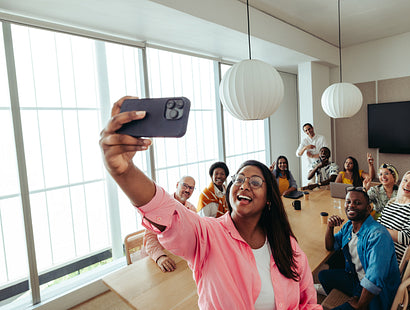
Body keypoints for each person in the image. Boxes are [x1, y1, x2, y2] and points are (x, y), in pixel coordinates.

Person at [100, 96, 321, 309]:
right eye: (239, 179)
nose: (244, 185)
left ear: (269, 201)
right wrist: (124, 171)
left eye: (255, 182)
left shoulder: (288, 245)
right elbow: (167, 213)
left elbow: (307, 303)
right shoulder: (207, 235)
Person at [317, 187, 400, 310]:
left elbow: (374, 280)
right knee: (323, 275)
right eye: (348, 202)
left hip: (377, 294)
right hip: (357, 280)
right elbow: (331, 246)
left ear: (368, 208)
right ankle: (353, 297)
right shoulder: (349, 226)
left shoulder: (377, 235)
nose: (351, 206)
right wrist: (330, 227)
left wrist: (360, 305)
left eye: (357, 203)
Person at [142, 176, 197, 272]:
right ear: (177, 185)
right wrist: (159, 257)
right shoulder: (161, 206)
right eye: (184, 185)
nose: (187, 190)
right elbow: (150, 238)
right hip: (157, 258)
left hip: (177, 258)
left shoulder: (191, 209)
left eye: (191, 188)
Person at [378, 170, 410, 263]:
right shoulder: (392, 203)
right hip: (375, 246)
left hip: (388, 257)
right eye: (405, 180)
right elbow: (378, 223)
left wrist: (376, 229)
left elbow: (406, 237)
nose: (407, 184)